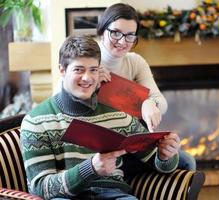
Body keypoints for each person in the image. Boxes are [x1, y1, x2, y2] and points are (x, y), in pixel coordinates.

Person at [20, 35, 180, 200]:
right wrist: (90, 169)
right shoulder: (36, 121)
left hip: (115, 195)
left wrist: (165, 155)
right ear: (62, 70)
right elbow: (39, 188)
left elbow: (158, 162)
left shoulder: (118, 113)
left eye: (93, 70)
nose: (88, 78)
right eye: (79, 69)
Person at [96, 3, 196, 170]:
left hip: (131, 142)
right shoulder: (87, 59)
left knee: (187, 162)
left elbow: (161, 103)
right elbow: (61, 100)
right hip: (97, 145)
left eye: (130, 36)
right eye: (115, 33)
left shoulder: (135, 61)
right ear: (102, 31)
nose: (122, 41)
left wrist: (146, 103)